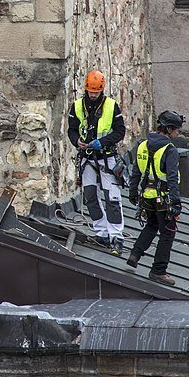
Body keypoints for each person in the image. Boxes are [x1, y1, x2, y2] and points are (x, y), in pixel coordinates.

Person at [68, 70, 126, 252]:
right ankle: (101, 232)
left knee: (112, 198)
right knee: (90, 196)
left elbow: (119, 132)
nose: (93, 95)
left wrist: (101, 142)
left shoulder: (111, 106)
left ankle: (116, 236)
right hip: (86, 157)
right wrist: (76, 140)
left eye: (96, 92)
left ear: (101, 90)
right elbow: (71, 129)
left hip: (106, 157)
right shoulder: (77, 106)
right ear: (86, 89)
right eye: (91, 92)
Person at [127, 109, 185, 286]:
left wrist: (132, 192)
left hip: (146, 195)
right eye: (176, 130)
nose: (178, 133)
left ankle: (135, 254)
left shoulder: (142, 144)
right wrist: (176, 202)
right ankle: (158, 271)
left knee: (152, 225)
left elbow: (136, 171)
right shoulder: (170, 150)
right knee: (167, 233)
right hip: (164, 198)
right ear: (168, 129)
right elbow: (172, 178)